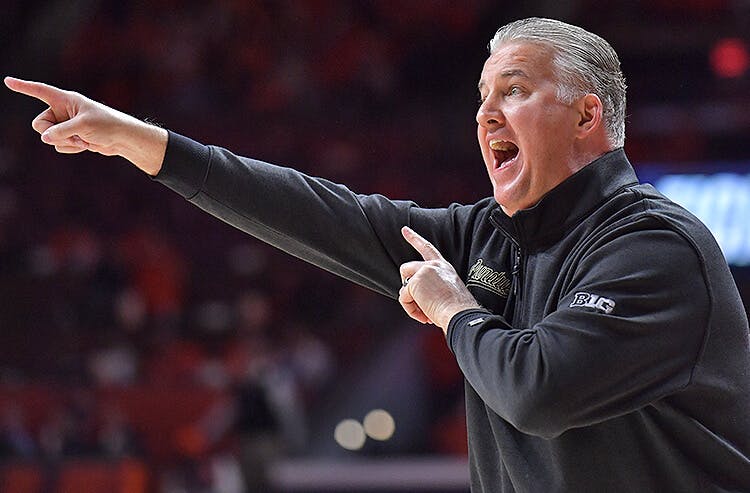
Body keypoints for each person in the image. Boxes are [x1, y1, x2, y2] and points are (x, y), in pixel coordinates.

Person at [6, 16, 750, 492]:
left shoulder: (656, 245)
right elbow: (326, 214)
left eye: (514, 90)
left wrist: (455, 307)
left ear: (589, 115)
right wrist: (143, 142)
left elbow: (539, 390)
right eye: (482, 97)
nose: (487, 112)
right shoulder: (487, 235)